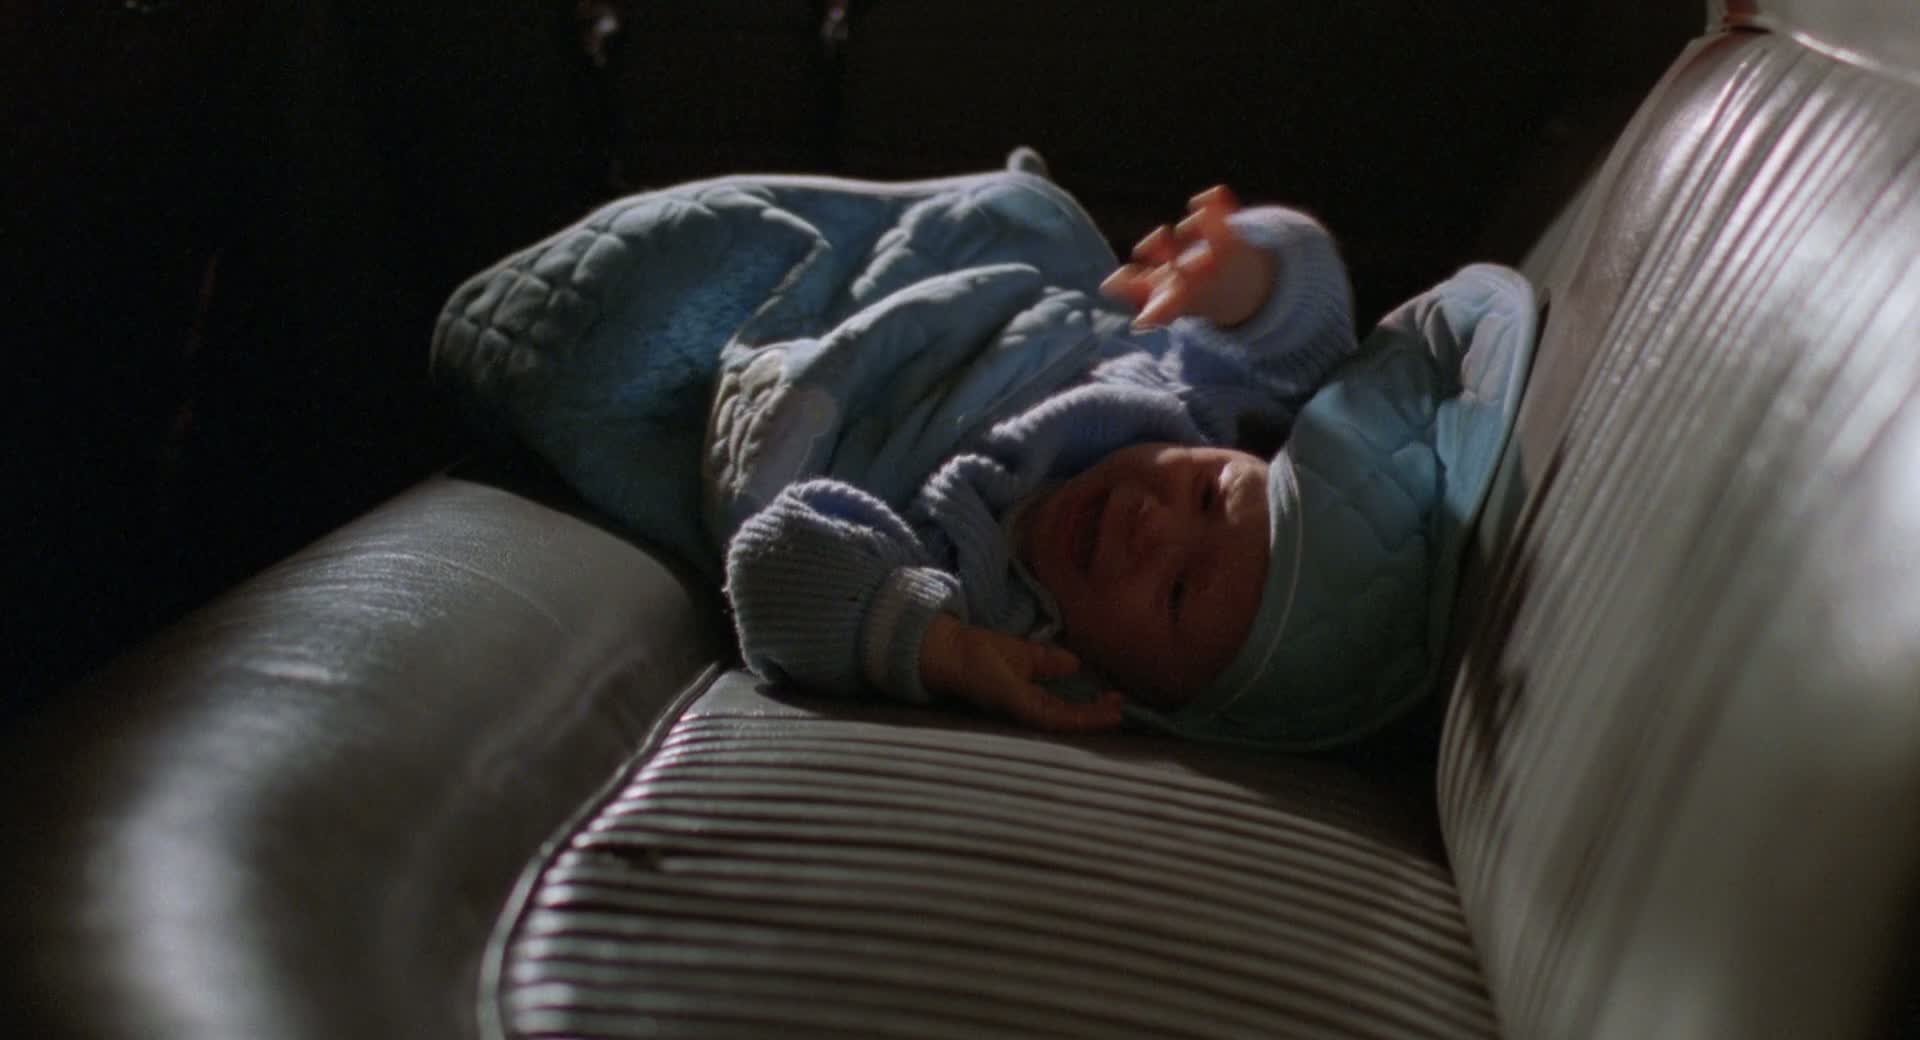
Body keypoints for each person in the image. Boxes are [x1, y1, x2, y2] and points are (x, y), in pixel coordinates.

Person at [723, 185, 1354, 734]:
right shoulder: (1192, 405)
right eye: (1208, 494)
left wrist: (936, 645)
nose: (1153, 525)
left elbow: (767, 563)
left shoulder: (981, 615)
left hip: (813, 392)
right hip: (966, 276)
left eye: (1177, 593)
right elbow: (1315, 344)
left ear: (1143, 694)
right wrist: (1245, 280)